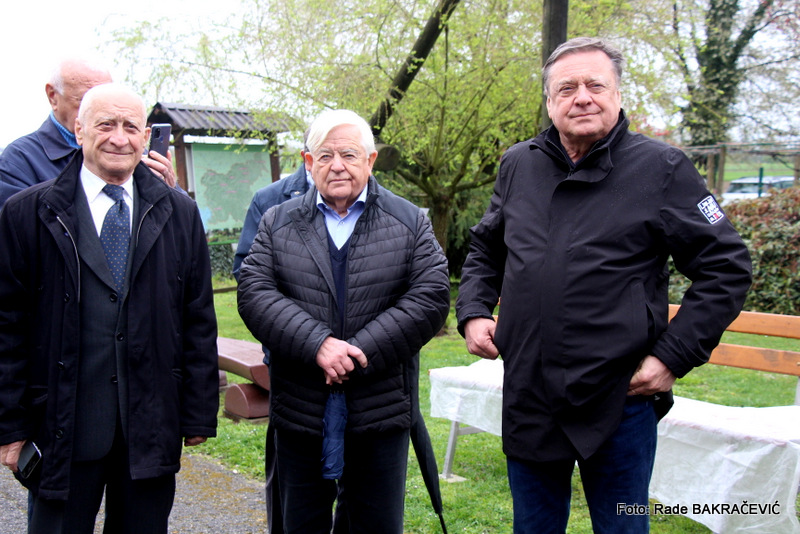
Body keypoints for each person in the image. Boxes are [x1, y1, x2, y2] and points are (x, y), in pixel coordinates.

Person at [455, 37, 752, 534]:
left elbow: (727, 267)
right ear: (549, 100)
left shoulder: (663, 168)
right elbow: (487, 248)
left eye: (595, 85)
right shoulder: (518, 164)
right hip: (530, 392)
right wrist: (474, 310)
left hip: (622, 397)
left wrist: (673, 357)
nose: (582, 98)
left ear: (617, 94)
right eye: (566, 88)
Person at [0, 83, 219, 534]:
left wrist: (198, 413)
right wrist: (10, 426)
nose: (119, 138)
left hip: (149, 425)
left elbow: (197, 319)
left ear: (146, 136)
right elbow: (7, 327)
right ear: (79, 130)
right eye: (106, 125)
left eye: (130, 127)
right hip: (62, 424)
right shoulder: (28, 213)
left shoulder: (180, 213)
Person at [237, 109, 450, 533]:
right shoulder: (277, 221)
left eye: (349, 155)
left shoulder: (409, 220)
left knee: (374, 525)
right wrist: (317, 344)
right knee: (300, 524)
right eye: (325, 155)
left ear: (370, 161)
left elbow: (430, 297)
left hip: (379, 407)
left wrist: (358, 352)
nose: (337, 165)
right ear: (308, 162)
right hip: (301, 406)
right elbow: (254, 292)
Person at [0, 58, 176, 208]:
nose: (119, 140)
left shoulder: (132, 152)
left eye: (107, 97)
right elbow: (20, 229)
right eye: (85, 100)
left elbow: (179, 226)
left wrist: (168, 191)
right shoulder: (19, 160)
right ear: (53, 96)